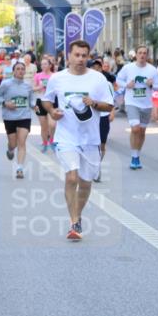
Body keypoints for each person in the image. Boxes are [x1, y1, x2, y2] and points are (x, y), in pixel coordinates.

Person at [40, 40, 114, 241]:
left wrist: (95, 103)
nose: (81, 59)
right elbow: (46, 99)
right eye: (77, 55)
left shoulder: (98, 79)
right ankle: (74, 222)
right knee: (72, 177)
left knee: (86, 182)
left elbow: (109, 106)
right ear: (69, 56)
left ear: (88, 57)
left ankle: (77, 215)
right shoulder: (57, 78)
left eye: (84, 55)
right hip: (66, 136)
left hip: (90, 138)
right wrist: (52, 111)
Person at [115, 46, 158, 170]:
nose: (142, 55)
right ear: (135, 54)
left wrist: (152, 84)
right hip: (132, 103)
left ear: (147, 55)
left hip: (146, 104)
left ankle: (137, 155)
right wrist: (126, 85)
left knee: (142, 131)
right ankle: (134, 157)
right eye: (140, 53)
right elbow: (118, 79)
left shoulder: (152, 70)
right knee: (135, 129)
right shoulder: (128, 68)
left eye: (144, 53)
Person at [0, 60, 33, 178]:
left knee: (22, 142)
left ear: (25, 71)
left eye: (22, 69)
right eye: (18, 69)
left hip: (24, 116)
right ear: (14, 72)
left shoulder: (28, 86)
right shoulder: (6, 84)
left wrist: (34, 105)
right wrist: (5, 103)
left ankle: (19, 168)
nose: (20, 71)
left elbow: (31, 100)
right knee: (13, 143)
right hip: (9, 117)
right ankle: (10, 150)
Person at [88, 58, 116, 181]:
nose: (96, 69)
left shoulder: (107, 83)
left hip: (103, 116)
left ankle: (97, 166)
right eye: (94, 67)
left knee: (102, 144)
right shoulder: (85, 82)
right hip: (90, 117)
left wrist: (112, 112)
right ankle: (92, 166)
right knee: (92, 144)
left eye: (98, 67)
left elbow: (111, 100)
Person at [33, 57, 55, 152]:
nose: (43, 66)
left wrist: (51, 87)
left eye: (45, 64)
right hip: (40, 100)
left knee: (52, 124)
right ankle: (45, 144)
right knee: (44, 126)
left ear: (50, 65)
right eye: (42, 64)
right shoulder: (37, 75)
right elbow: (33, 88)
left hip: (51, 101)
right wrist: (40, 87)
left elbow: (58, 89)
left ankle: (52, 140)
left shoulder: (54, 76)